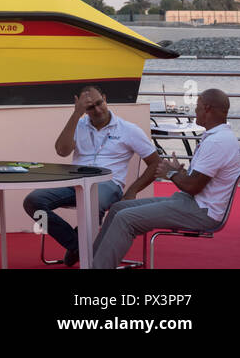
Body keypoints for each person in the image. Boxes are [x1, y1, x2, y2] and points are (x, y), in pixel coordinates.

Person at [90, 88, 240, 269]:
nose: (195, 110)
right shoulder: (217, 137)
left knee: (125, 219)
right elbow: (198, 181)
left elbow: (193, 187)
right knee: (118, 208)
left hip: (201, 211)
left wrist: (171, 173)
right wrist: (179, 172)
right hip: (191, 202)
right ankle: (90, 262)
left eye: (198, 106)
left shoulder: (218, 142)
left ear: (208, 109)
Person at [24, 85, 159, 267]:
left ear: (104, 98)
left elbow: (155, 163)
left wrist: (132, 190)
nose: (97, 110)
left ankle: (82, 250)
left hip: (108, 184)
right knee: (33, 201)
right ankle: (78, 246)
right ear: (81, 108)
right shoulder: (77, 125)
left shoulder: (128, 130)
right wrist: (75, 115)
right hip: (74, 182)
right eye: (89, 107)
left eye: (99, 103)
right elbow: (61, 151)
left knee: (92, 199)